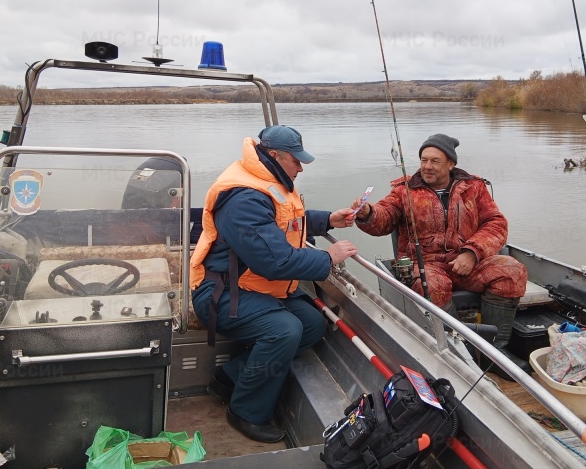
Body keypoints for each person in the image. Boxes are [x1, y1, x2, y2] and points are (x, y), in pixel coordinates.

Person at [191, 125, 358, 443]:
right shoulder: (243, 197)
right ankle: (245, 412)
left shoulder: (269, 180)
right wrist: (328, 258)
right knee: (283, 330)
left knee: (310, 323)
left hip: (255, 287)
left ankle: (229, 378)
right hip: (222, 292)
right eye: (296, 160)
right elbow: (274, 261)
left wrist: (326, 220)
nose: (301, 167)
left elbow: (284, 220)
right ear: (273, 155)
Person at [352, 133, 527, 360]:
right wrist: (368, 214)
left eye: (435, 161)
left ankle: (494, 352)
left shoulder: (474, 188)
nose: (427, 166)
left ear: (451, 164)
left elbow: (496, 224)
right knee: (431, 286)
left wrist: (472, 252)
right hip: (425, 265)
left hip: (467, 262)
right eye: (424, 160)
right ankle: (458, 352)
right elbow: (384, 218)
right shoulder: (404, 190)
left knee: (511, 272)